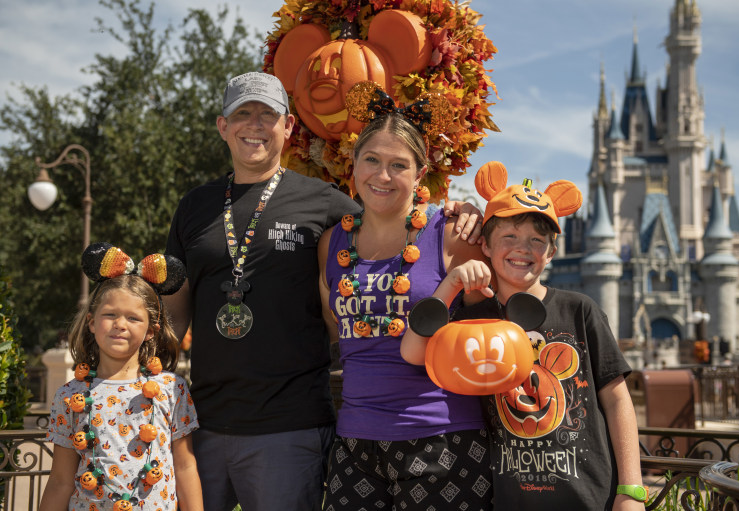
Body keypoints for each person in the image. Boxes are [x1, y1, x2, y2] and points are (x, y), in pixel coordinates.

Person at [163, 71, 482, 510]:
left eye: (268, 115)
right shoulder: (194, 206)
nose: (255, 124)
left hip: (296, 426)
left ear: (288, 127)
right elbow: (172, 312)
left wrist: (463, 209)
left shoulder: (327, 206)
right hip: (204, 423)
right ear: (223, 126)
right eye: (243, 113)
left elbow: (392, 216)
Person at [401, 162, 646, 510]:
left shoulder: (580, 310)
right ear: (485, 246)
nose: (523, 248)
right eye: (509, 237)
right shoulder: (474, 320)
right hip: (509, 500)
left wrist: (632, 489)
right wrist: (451, 282)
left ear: (551, 252)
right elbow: (412, 351)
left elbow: (618, 400)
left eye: (537, 240)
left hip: (591, 499)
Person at [318, 84, 493, 510]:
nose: (382, 176)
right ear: (353, 165)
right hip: (355, 440)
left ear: (419, 174)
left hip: (442, 439)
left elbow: (489, 329)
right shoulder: (331, 243)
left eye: (399, 165)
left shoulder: (451, 235)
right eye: (371, 160)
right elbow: (333, 330)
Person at [40, 243, 202, 511]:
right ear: (92, 322)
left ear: (151, 330)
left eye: (133, 318)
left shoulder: (172, 389)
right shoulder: (69, 396)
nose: (120, 324)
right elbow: (60, 482)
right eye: (110, 315)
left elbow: (185, 466)